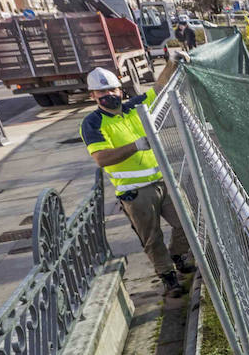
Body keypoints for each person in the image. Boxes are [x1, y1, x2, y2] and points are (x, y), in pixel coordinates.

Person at [79, 51, 194, 299]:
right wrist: (136, 146)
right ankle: (169, 278)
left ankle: (177, 256)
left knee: (186, 220)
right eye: (101, 92)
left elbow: (159, 88)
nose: (108, 95)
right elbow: (101, 158)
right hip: (135, 191)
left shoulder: (134, 107)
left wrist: (172, 62)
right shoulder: (93, 123)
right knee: (152, 238)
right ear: (93, 96)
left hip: (162, 180)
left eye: (112, 89)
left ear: (120, 89)